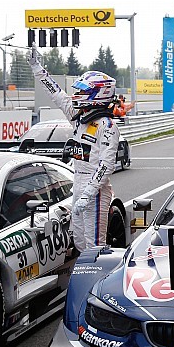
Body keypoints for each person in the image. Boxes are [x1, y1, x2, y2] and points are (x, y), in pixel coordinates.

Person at [27, 45, 120, 251]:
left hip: (94, 190)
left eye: (83, 91)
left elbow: (107, 165)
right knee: (79, 242)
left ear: (99, 94)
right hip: (78, 182)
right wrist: (36, 67)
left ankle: (97, 281)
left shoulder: (107, 125)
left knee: (94, 246)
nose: (77, 95)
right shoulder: (78, 116)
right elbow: (56, 94)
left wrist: (88, 192)